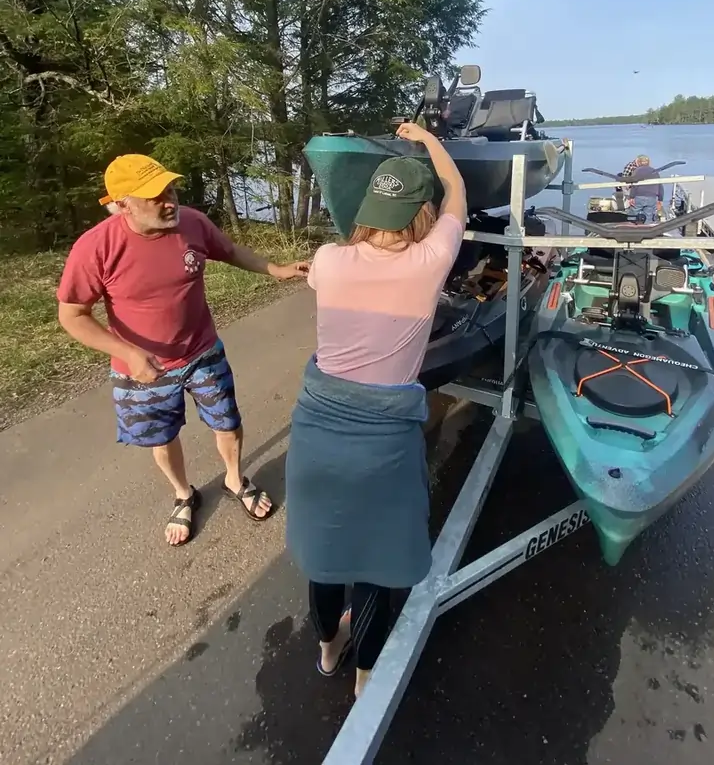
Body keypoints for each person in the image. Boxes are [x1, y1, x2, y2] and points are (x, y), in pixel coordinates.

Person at [285, 122, 468, 699]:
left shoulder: (328, 260)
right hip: (380, 438)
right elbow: (456, 191)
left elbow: (332, 265)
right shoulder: (431, 259)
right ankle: (366, 673)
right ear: (420, 216)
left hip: (316, 426)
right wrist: (430, 140)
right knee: (373, 561)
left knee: (325, 550)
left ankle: (327, 648)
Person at [57, 154, 309, 547]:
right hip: (141, 370)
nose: (169, 200)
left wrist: (274, 268)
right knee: (162, 437)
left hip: (203, 352)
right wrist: (127, 351)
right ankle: (182, 493)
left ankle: (233, 478)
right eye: (154, 196)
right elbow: (72, 315)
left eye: (170, 189)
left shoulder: (191, 222)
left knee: (227, 422)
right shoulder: (95, 248)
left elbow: (228, 250)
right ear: (121, 203)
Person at [628, 154, 664, 224]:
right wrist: (660, 200)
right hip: (651, 197)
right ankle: (646, 230)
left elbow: (634, 185)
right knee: (648, 216)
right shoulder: (655, 172)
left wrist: (631, 197)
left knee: (633, 215)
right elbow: (660, 186)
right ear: (649, 163)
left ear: (638, 162)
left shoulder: (637, 171)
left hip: (639, 197)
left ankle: (631, 229)